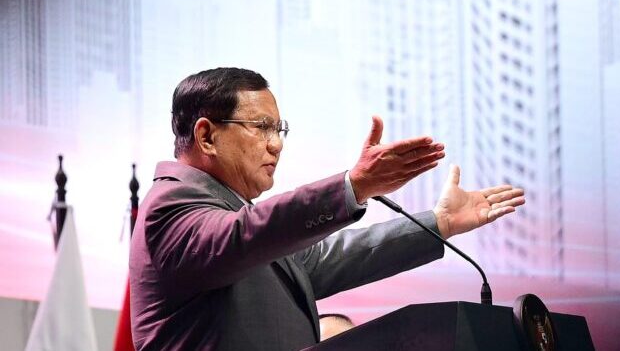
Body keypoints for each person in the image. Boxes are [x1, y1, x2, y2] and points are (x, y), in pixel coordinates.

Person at [129, 67, 525, 350]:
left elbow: (324, 258)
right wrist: (353, 186)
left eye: (279, 129)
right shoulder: (170, 206)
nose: (276, 144)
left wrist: (439, 223)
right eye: (262, 127)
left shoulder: (239, 222)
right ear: (206, 136)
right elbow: (243, 234)